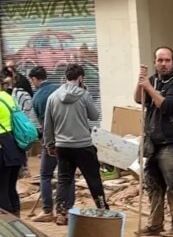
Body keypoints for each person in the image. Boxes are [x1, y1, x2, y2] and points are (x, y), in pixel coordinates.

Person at [135, 46, 173, 236]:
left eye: (167, 60)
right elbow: (138, 99)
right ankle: (155, 224)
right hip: (154, 143)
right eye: (160, 60)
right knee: (153, 185)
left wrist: (149, 88)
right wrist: (141, 82)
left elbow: (166, 105)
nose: (163, 63)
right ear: (155, 62)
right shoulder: (152, 80)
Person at [43, 63, 108, 225]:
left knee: (64, 180)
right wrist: (85, 94)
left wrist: (50, 145)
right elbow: (94, 115)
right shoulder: (84, 95)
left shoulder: (53, 97)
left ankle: (61, 213)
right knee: (93, 178)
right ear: (80, 78)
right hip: (83, 146)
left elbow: (47, 125)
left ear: (65, 77)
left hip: (63, 147)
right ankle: (102, 209)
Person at [28, 66, 64, 223]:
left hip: (50, 141)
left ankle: (48, 210)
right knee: (65, 176)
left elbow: (40, 125)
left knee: (45, 175)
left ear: (35, 79)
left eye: (32, 81)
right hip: (68, 139)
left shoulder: (37, 98)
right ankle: (65, 211)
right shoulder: (61, 89)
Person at [3, 67, 36, 179]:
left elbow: (27, 111)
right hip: (11, 132)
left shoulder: (19, 93)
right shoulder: (11, 95)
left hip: (14, 131)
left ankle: (23, 169)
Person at [0, 85, 24, 215]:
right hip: (15, 145)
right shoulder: (8, 97)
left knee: (2, 188)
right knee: (11, 187)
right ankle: (18, 222)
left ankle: (7, 224)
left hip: (3, 148)